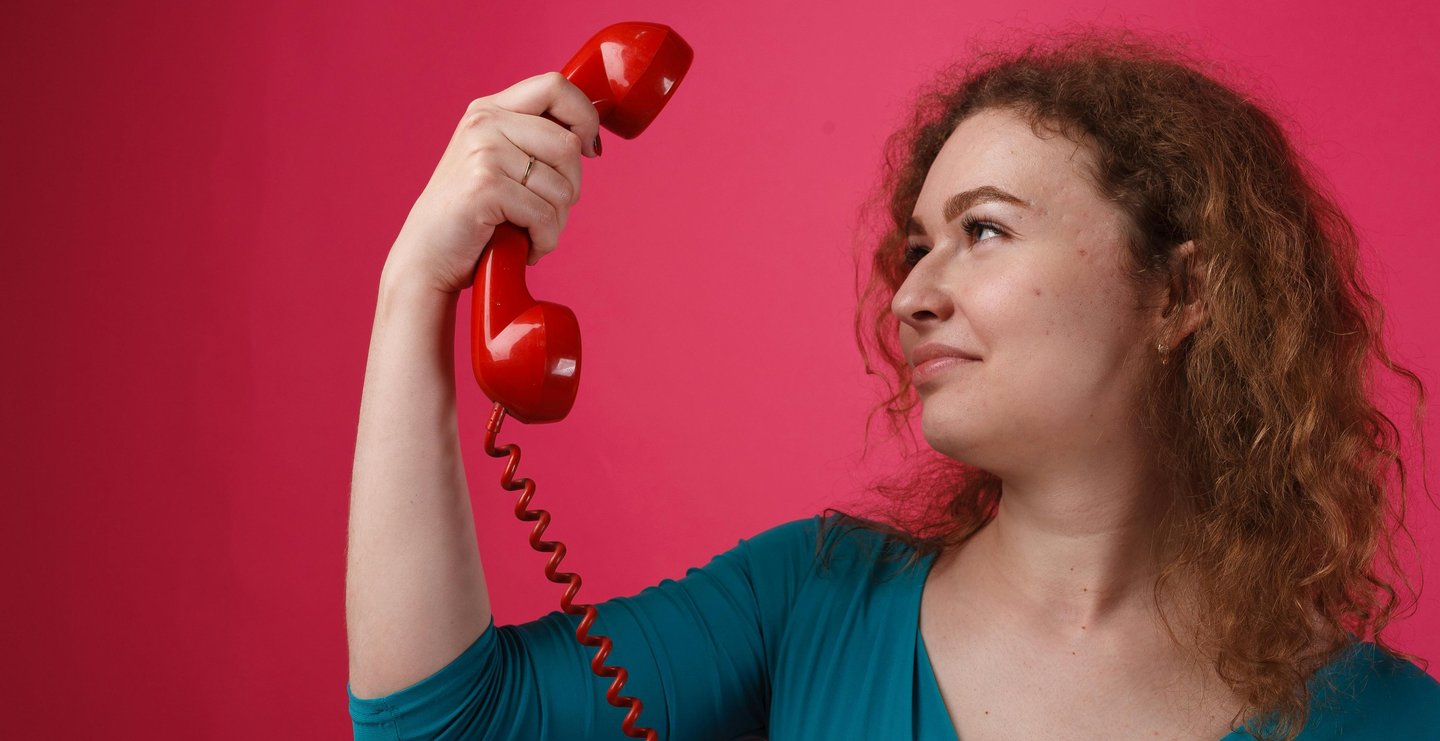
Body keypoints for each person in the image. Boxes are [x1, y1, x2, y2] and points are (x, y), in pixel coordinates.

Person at [344, 27, 1439, 741]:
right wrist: (417, 290)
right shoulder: (809, 600)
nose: (911, 295)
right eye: (916, 248)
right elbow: (446, 726)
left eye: (984, 230)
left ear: (1181, 293)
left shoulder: (1395, 719)